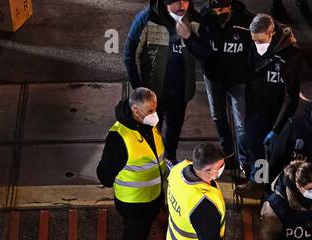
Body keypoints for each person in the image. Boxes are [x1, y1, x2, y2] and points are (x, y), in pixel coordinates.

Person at [96, 87, 165, 240]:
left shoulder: (147, 125)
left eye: (155, 109)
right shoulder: (119, 138)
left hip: (152, 198)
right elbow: (105, 175)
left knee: (142, 234)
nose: (155, 115)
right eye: (150, 111)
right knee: (133, 239)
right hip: (134, 203)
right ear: (136, 109)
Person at [125, 0, 199, 161]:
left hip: (180, 91)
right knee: (150, 131)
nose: (182, 6)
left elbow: (204, 51)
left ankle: (170, 158)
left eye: (185, 0)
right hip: (153, 92)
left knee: (174, 128)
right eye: (177, 2)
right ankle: (151, 161)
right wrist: (139, 90)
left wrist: (191, 38)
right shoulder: (147, 18)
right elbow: (130, 54)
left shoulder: (194, 18)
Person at [185, 0, 252, 177]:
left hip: (239, 81)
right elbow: (200, 47)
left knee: (241, 124)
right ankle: (228, 153)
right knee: (218, 117)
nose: (219, 13)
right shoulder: (206, 19)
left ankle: (244, 161)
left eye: (222, 9)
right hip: (214, 79)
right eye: (216, 9)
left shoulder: (245, 22)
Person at [243, 13, 301, 188]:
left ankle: (272, 187)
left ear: (271, 33)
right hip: (254, 108)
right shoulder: (254, 45)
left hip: (275, 113)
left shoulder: (290, 55)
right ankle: (259, 182)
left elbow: (292, 95)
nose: (256, 45)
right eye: (254, 41)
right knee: (255, 148)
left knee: (274, 154)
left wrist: (277, 128)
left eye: (260, 41)